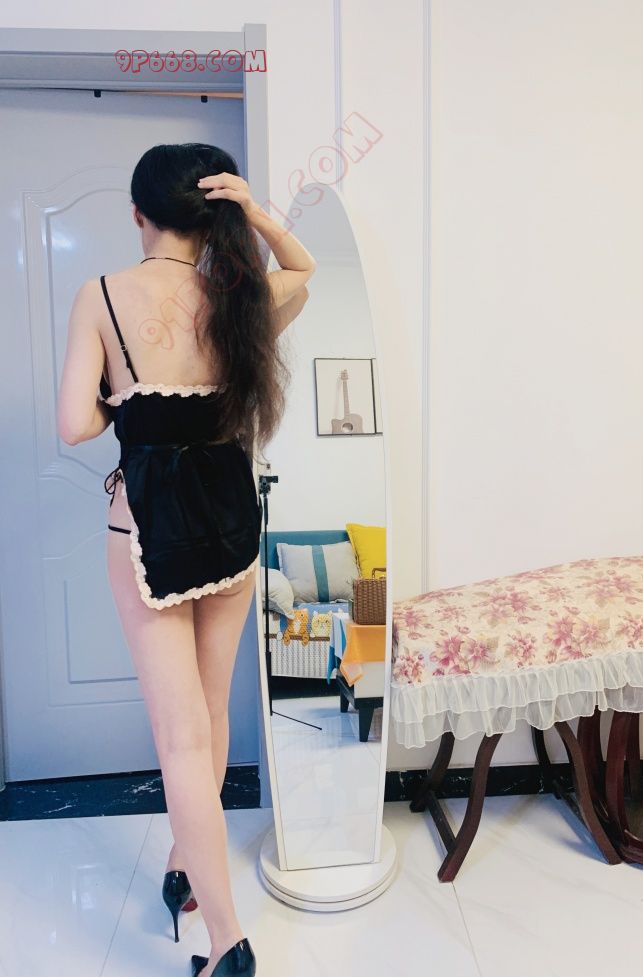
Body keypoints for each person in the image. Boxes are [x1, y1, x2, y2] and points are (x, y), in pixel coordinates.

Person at [56, 143, 316, 977]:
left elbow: (75, 425)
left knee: (179, 737)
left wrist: (125, 402)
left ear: (138, 213)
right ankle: (186, 863)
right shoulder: (238, 300)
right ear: (213, 214)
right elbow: (303, 271)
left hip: (147, 529)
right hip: (231, 520)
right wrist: (259, 215)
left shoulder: (101, 295)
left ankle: (228, 945)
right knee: (208, 709)